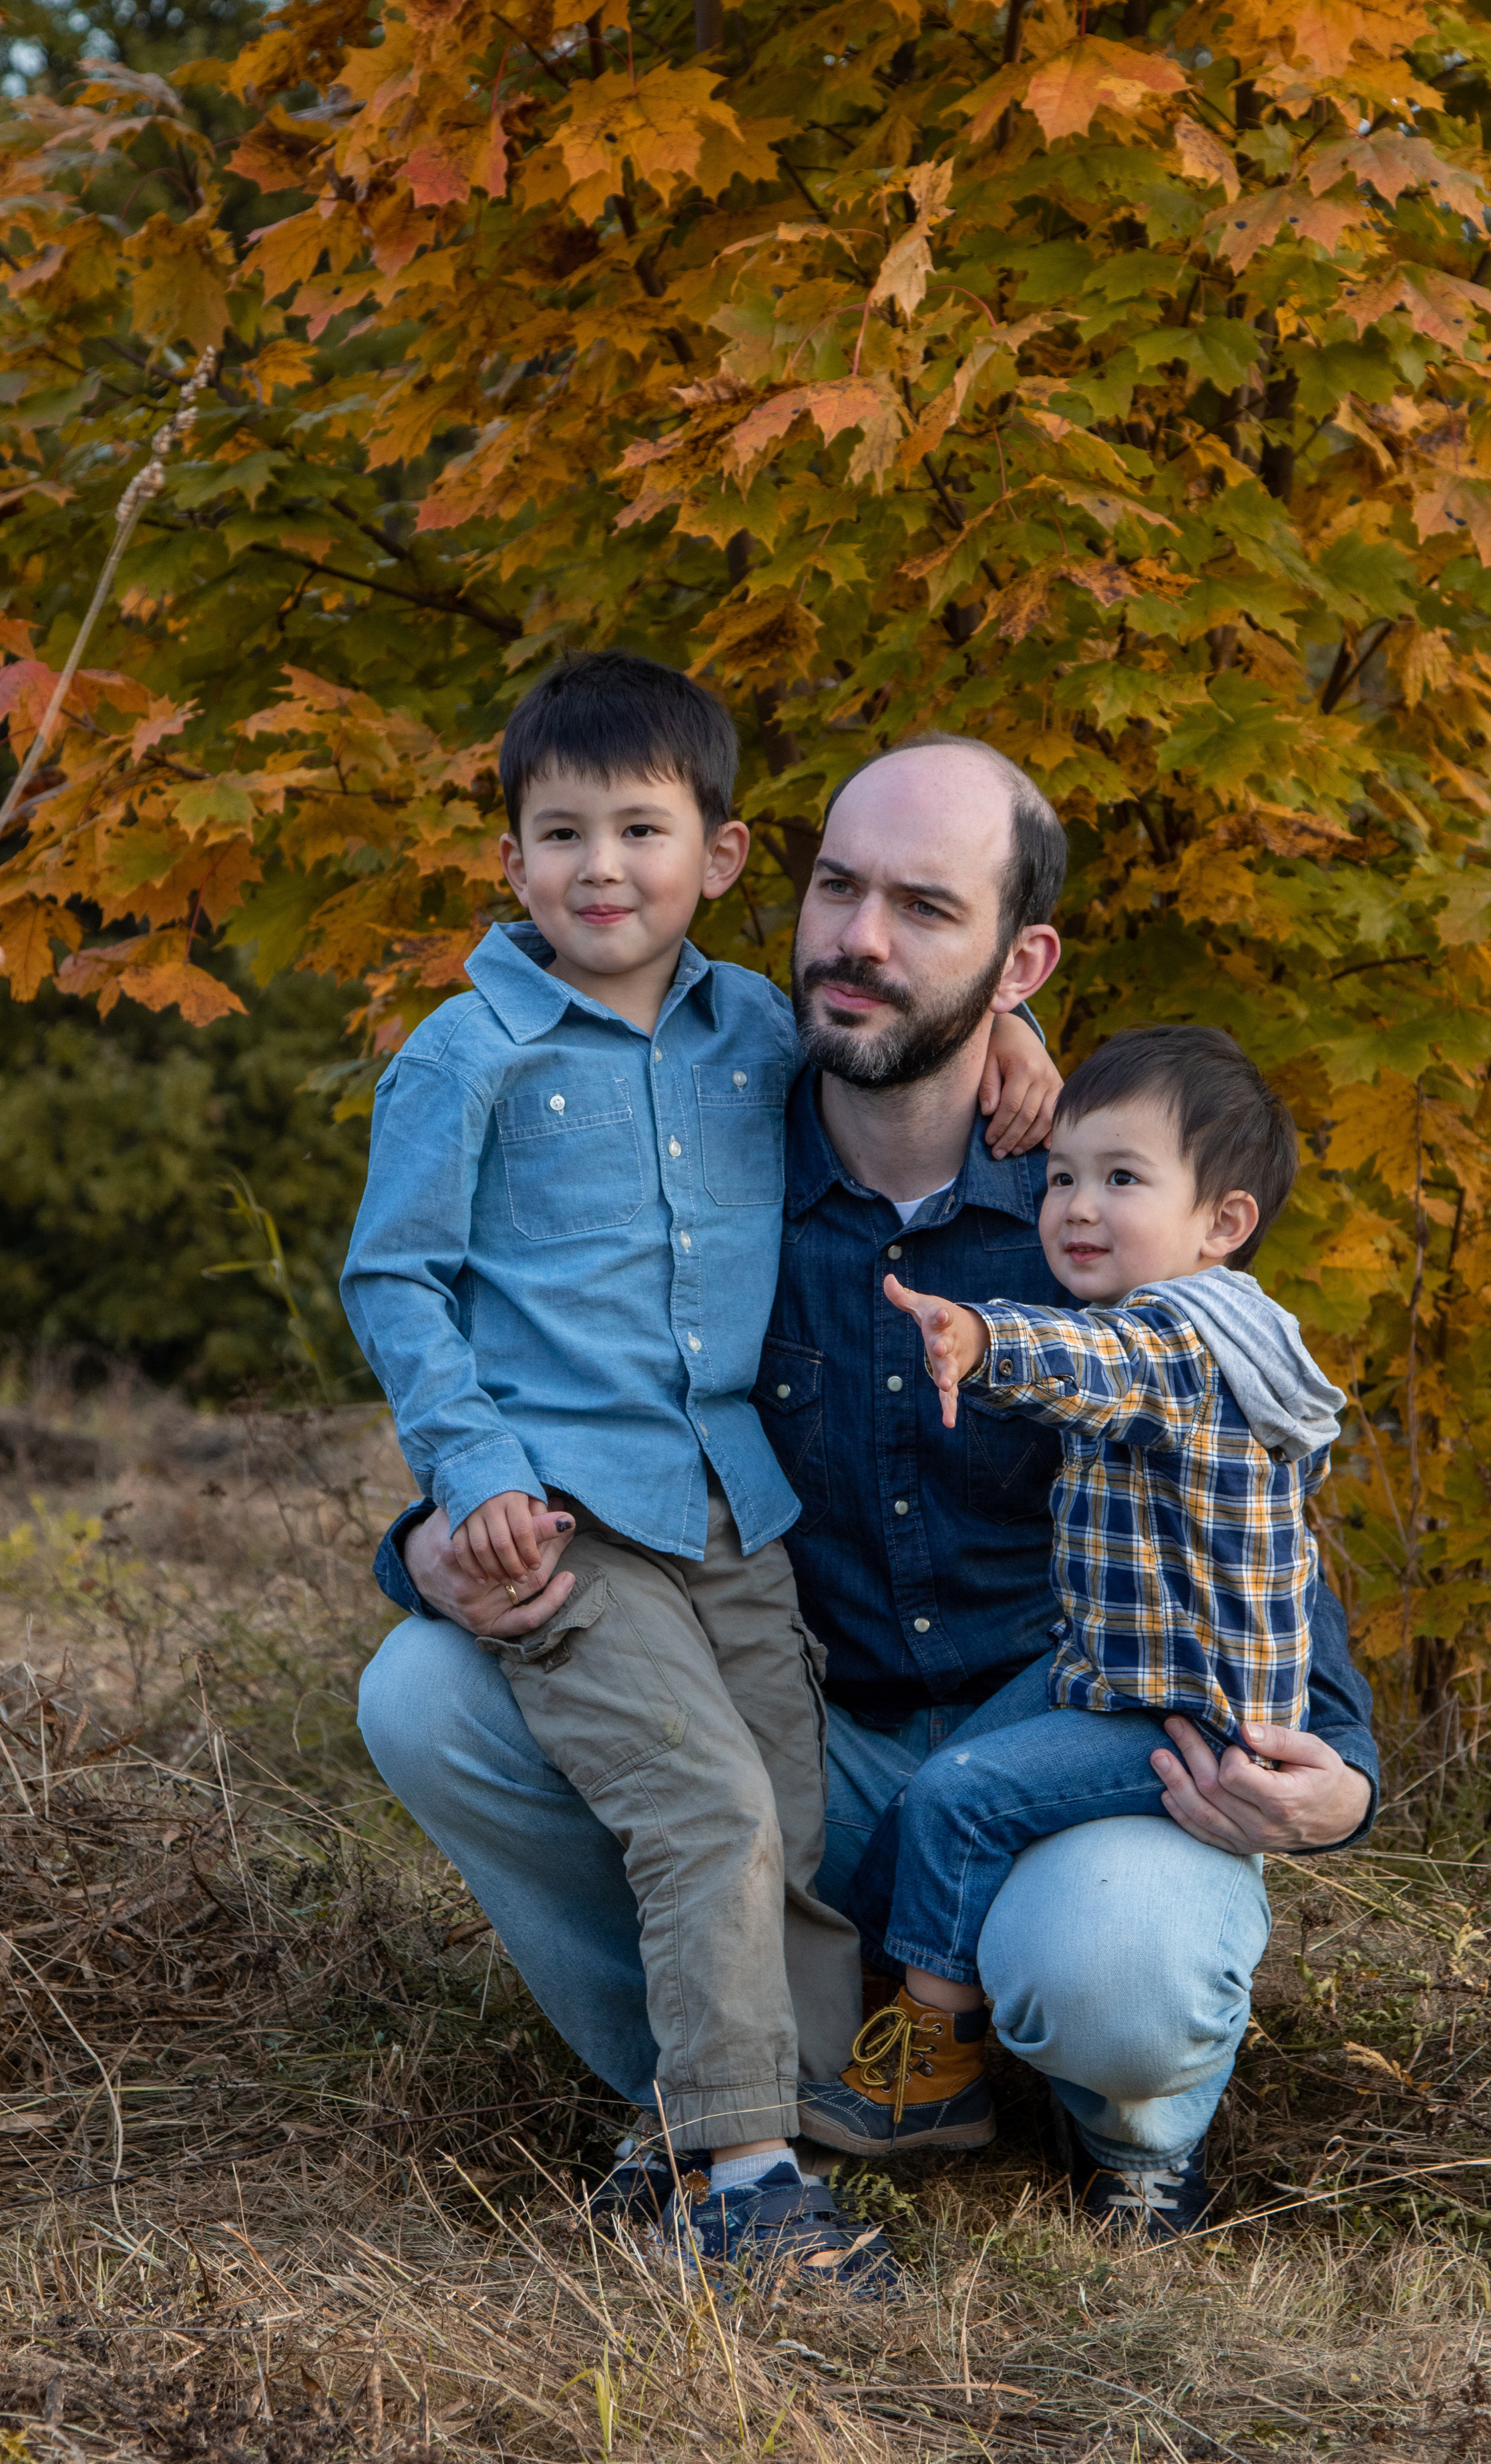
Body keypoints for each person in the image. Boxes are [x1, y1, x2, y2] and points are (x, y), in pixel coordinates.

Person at [360, 730, 1378, 2248]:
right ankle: (712, 2097)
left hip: (1047, 1752)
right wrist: (430, 1548)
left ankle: (1113, 2123)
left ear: (1019, 959)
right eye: (836, 888)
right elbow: (552, 1372)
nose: (858, 940)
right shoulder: (703, 1161)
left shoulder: (1097, 1212)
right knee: (428, 1685)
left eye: (923, 909)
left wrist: (1337, 1772)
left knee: (1118, 1962)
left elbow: (1232, 1496)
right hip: (799, 1739)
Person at [341, 658, 1058, 2288]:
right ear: (508, 862)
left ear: (720, 862)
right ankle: (741, 2182)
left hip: (737, 1509)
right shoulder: (467, 1059)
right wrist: (464, 1481)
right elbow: (396, 1282)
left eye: (641, 832)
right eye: (559, 836)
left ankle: (722, 2124)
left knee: (783, 1812)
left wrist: (1019, 1034)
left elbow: (912, 1024)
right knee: (706, 1808)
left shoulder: (755, 1026)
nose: (601, 870)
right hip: (574, 1517)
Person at [796, 1024, 1347, 2158]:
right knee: (924, 1803)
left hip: (1178, 1710)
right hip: (1105, 1667)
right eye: (1061, 1178)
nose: (1077, 1207)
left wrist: (981, 1336)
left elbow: (1102, 1371)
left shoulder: (1182, 1339)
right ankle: (878, 1995)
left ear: (1224, 1225)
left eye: (1123, 1180)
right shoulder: (1238, 1332)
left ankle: (937, 2074)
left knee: (957, 1793)